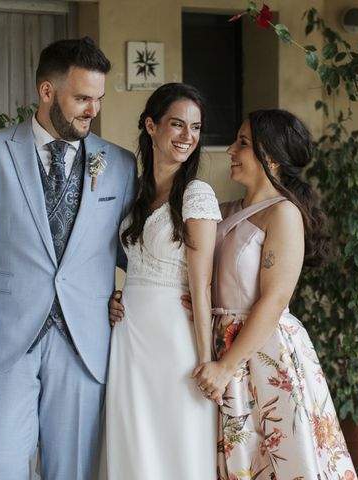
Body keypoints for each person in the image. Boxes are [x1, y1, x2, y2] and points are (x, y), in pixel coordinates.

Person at [0, 37, 137, 479]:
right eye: (82, 98)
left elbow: (137, 253)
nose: (93, 110)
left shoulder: (120, 164)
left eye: (99, 99)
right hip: (4, 346)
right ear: (47, 91)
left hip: (84, 344)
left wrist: (137, 300)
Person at [192, 109, 357, 479]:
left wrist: (226, 366)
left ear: (273, 158)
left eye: (243, 143)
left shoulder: (283, 214)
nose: (231, 150)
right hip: (218, 345)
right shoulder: (224, 210)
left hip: (262, 352)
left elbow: (274, 299)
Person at [104, 83, 221, 480]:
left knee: (178, 448)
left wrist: (207, 359)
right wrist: (113, 295)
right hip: (128, 337)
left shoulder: (197, 194)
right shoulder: (135, 194)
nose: (187, 136)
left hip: (176, 343)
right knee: (132, 446)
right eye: (177, 124)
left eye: (196, 127)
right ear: (151, 127)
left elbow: (202, 285)